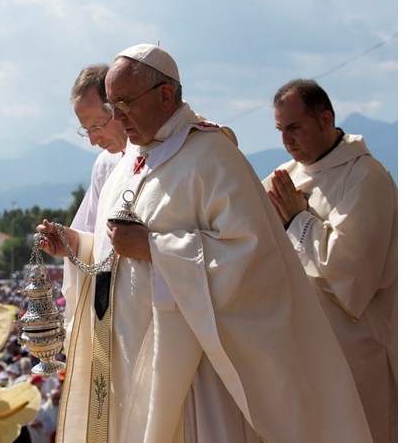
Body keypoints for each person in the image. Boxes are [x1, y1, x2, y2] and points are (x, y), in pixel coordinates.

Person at [36, 44, 373, 442]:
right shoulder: (128, 163)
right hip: (131, 360)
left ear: (165, 95)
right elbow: (118, 250)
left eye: (125, 103)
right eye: (114, 106)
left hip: (195, 370)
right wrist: (76, 244)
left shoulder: (211, 155)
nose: (118, 116)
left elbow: (252, 260)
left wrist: (155, 248)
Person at [262, 78, 397, 443]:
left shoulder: (367, 178)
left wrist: (296, 219)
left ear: (325, 120)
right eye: (280, 130)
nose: (287, 141)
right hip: (298, 352)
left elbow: (348, 271)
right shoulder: (283, 178)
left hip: (353, 355)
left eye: (295, 128)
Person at [69, 65, 129, 232]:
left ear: (118, 109)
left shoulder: (162, 152)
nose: (93, 141)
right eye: (87, 131)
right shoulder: (105, 164)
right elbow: (90, 234)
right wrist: (68, 241)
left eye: (97, 127)